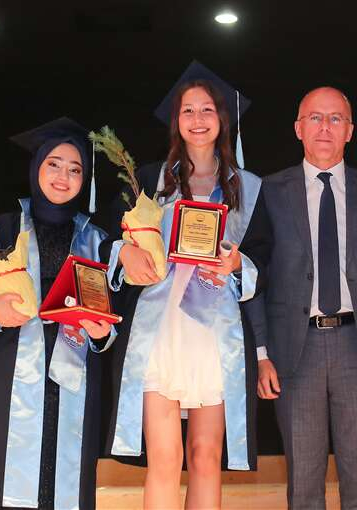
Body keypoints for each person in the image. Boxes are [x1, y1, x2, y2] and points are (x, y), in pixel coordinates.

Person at [101, 62, 271, 509]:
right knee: (165, 457)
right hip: (160, 328)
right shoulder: (148, 181)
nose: (198, 119)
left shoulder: (248, 188)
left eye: (207, 109)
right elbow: (109, 238)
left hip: (215, 331)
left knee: (205, 456)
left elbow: (265, 258)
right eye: (188, 111)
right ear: (176, 120)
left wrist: (237, 263)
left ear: (222, 119)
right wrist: (124, 253)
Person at [254, 86, 357, 510]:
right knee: (303, 490)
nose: (325, 127)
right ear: (298, 128)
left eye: (335, 118)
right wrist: (261, 353)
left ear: (350, 131)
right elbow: (254, 277)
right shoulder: (268, 191)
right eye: (315, 117)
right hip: (293, 353)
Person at [0, 117, 114, 509]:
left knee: (62, 484)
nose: (63, 176)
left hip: (72, 380)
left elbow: (112, 316)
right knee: (6, 483)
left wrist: (101, 333)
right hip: (10, 379)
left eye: (75, 169)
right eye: (54, 164)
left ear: (85, 180)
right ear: (36, 167)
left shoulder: (97, 241)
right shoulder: (2, 230)